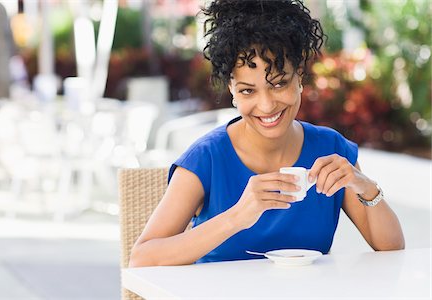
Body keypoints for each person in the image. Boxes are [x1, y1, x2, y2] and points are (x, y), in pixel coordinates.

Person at [129, 0, 404, 266]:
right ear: (232, 92)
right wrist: (237, 216)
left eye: (279, 84)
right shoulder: (207, 158)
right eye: (248, 90)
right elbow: (142, 258)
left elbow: (391, 248)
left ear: (299, 77)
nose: (266, 105)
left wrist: (364, 186)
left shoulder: (330, 149)